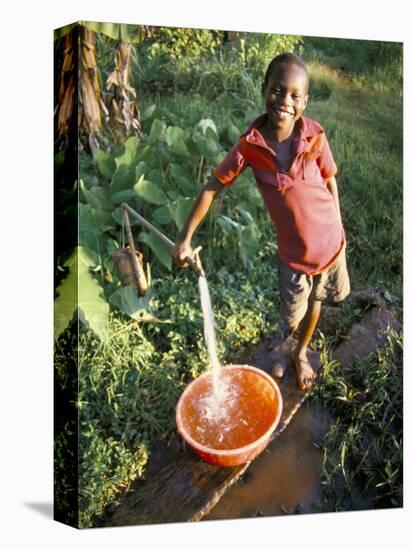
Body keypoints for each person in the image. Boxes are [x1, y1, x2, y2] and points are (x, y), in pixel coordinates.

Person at [172, 53, 350, 391]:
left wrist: (338, 222)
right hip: (294, 256)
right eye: (277, 90)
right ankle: (292, 341)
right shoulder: (250, 147)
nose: (285, 101)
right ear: (264, 89)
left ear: (305, 101)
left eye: (295, 95)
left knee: (318, 301)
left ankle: (299, 354)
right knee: (293, 314)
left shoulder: (315, 137)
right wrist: (184, 238)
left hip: (330, 245)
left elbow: (330, 180)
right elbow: (212, 188)